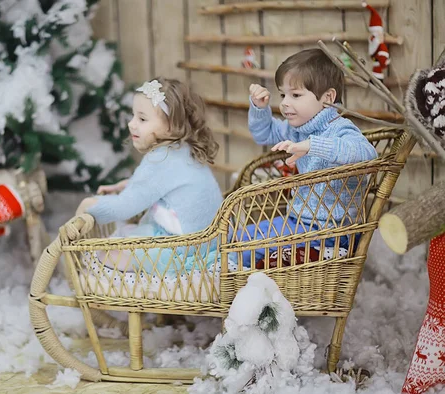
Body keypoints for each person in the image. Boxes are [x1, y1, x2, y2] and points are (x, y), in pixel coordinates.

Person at [240, 48, 378, 265]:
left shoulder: (339, 129)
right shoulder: (298, 128)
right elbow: (264, 134)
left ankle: (246, 288)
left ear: (328, 98)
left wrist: (312, 146)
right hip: (300, 221)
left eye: (295, 95)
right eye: (283, 94)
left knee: (246, 249)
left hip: (332, 230)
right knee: (239, 238)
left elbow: (366, 154)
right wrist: (259, 108)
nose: (285, 102)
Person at [75, 77, 223, 275]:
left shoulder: (160, 159)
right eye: (133, 116)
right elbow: (168, 186)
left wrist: (91, 205)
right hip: (207, 243)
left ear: (170, 125)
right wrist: (126, 185)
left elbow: (125, 208)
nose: (131, 124)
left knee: (103, 255)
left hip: (180, 250)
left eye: (142, 119)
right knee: (127, 236)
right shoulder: (182, 149)